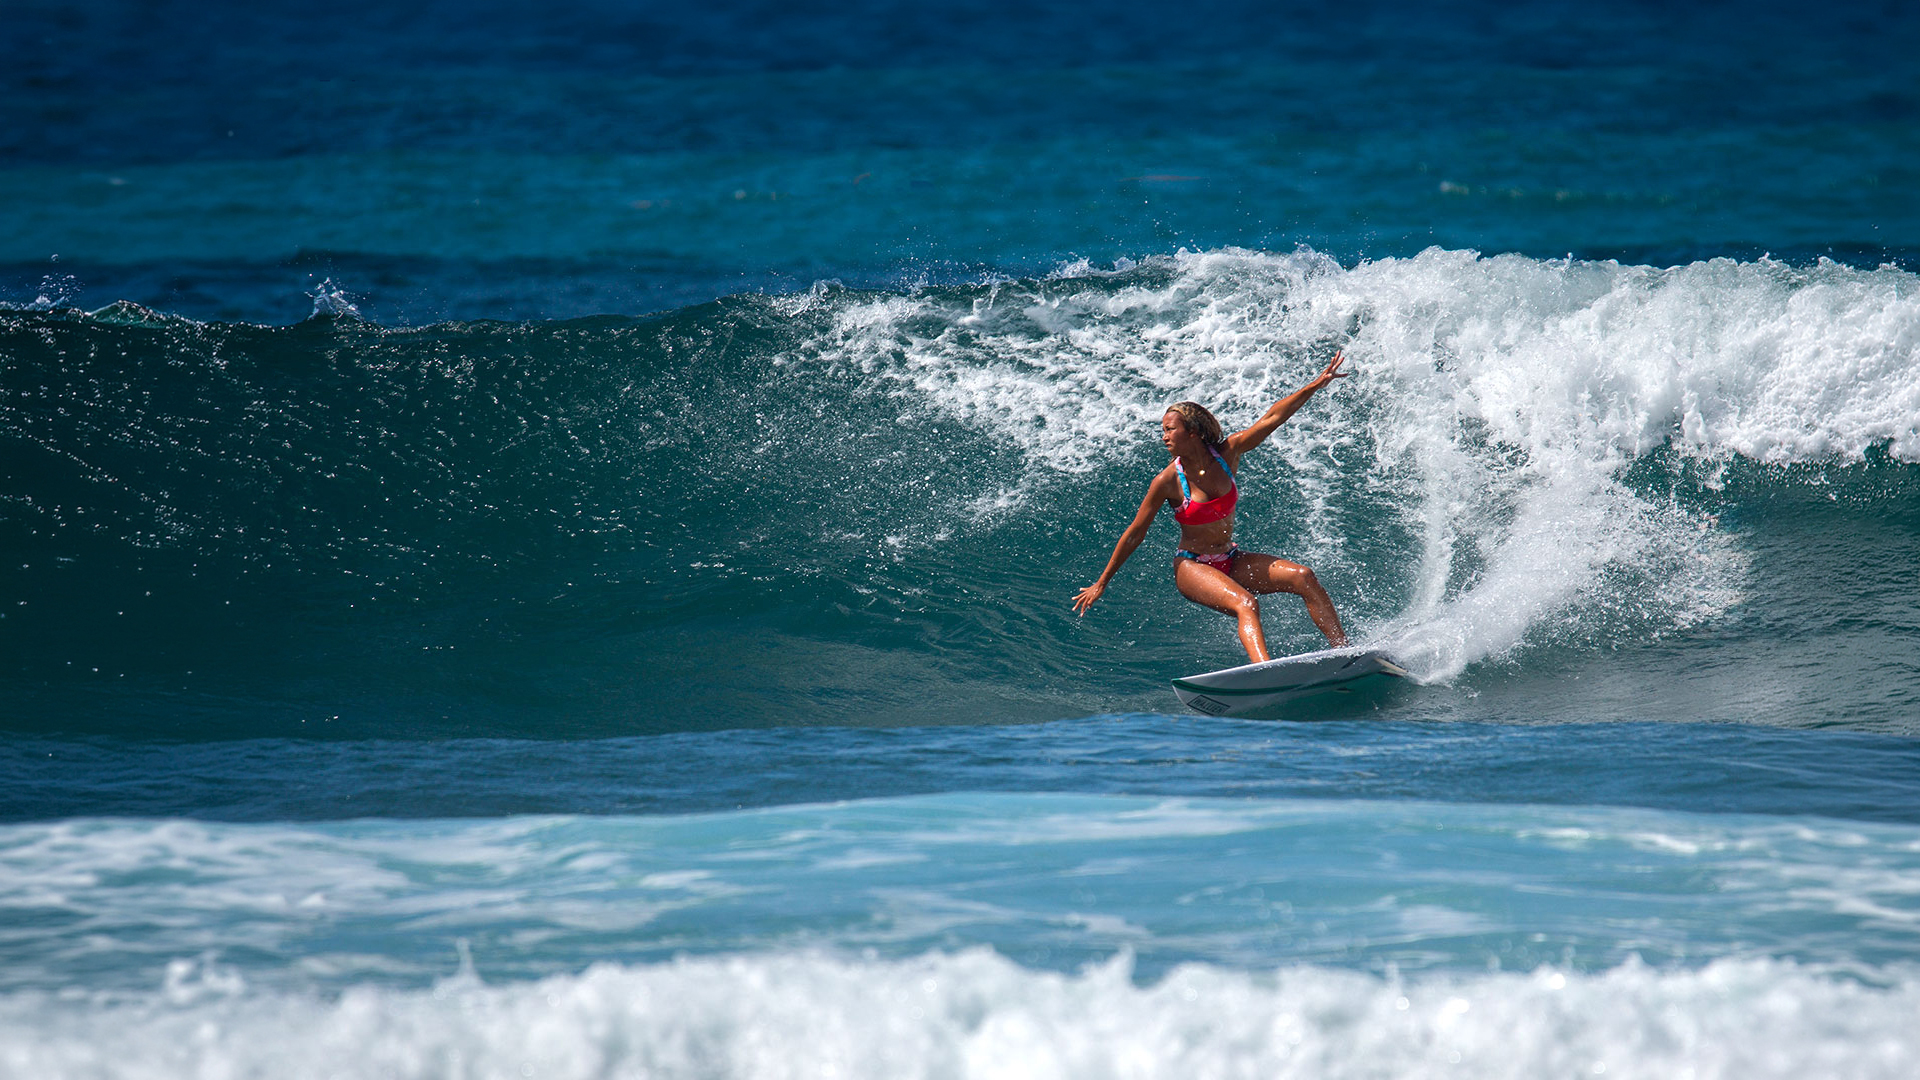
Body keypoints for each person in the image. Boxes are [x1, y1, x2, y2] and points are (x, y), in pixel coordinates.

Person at [1072, 354, 1350, 662]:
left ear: (1192, 432)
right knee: (1246, 603)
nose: (1163, 437)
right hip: (1193, 566)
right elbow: (1135, 533)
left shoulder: (1228, 453)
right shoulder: (1167, 481)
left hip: (1230, 558)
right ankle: (1265, 671)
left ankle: (1344, 652)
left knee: (1304, 576)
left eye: (1169, 429)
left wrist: (1316, 384)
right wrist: (1102, 582)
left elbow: (1273, 417)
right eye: (1163, 430)